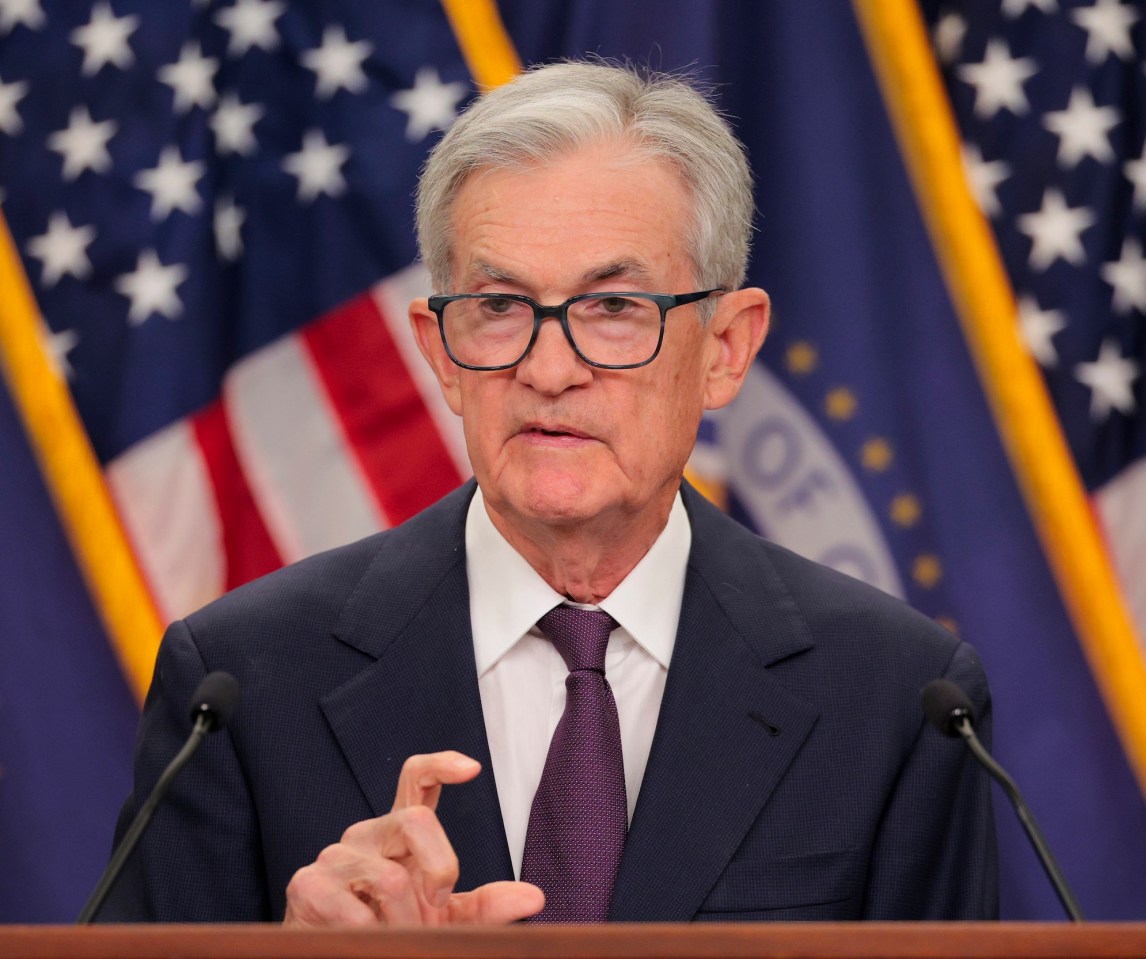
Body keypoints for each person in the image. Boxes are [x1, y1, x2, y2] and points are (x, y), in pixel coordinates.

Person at [99, 60, 997, 925]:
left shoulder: (897, 697)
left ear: (725, 349)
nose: (550, 368)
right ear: (440, 353)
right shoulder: (242, 685)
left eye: (614, 308)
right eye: (499, 307)